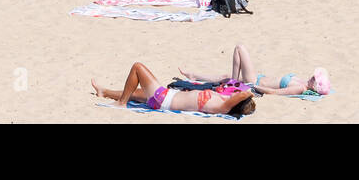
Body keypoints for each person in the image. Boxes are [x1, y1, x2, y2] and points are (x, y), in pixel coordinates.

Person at [90, 62, 256, 116]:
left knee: (137, 67)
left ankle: (121, 103)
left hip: (163, 98)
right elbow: (239, 94)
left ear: (238, 102)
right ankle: (104, 92)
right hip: (166, 97)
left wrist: (250, 96)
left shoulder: (223, 107)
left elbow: (245, 93)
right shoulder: (224, 100)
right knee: (133, 93)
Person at [179, 43, 331, 97]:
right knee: (225, 76)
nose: (312, 77)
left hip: (254, 81)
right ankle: (193, 75)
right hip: (258, 77)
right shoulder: (303, 81)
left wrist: (256, 87)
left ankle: (232, 83)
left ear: (315, 87)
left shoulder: (299, 88)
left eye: (315, 79)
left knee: (240, 48)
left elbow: (275, 92)